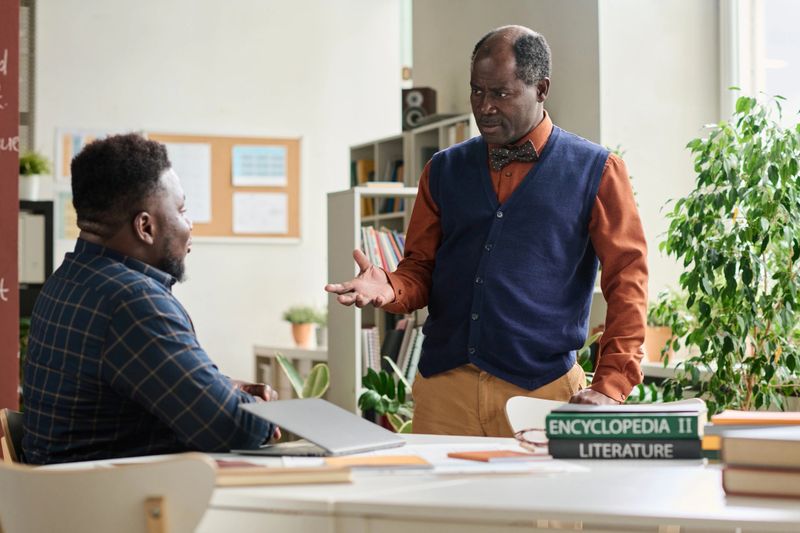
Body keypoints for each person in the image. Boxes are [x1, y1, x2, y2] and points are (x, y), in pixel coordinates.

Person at [325, 26, 647, 437]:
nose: (485, 106)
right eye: (477, 91)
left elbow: (628, 279)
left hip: (542, 392)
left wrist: (612, 385)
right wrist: (390, 286)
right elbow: (419, 269)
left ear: (541, 88)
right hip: (444, 394)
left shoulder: (598, 170)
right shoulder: (442, 169)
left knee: (535, 504)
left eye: (500, 93)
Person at [22, 133, 277, 464]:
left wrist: (218, 387)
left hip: (64, 500)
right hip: (118, 507)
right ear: (146, 226)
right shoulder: (133, 301)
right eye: (183, 210)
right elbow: (231, 429)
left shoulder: (68, 280)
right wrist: (269, 414)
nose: (190, 225)